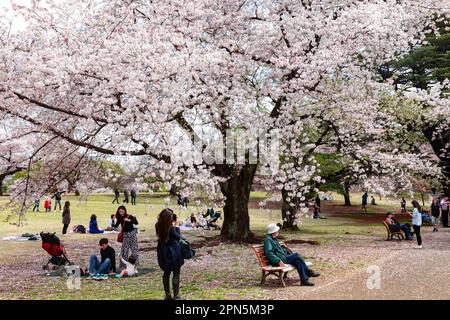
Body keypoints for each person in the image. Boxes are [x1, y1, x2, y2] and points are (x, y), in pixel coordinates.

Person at [156, 208, 184, 300]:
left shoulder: (158, 226)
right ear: (168, 217)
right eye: (171, 215)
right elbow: (179, 237)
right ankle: (176, 296)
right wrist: (177, 226)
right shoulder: (171, 228)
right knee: (176, 273)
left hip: (163, 252)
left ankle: (167, 295)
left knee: (166, 273)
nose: (173, 217)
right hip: (174, 252)